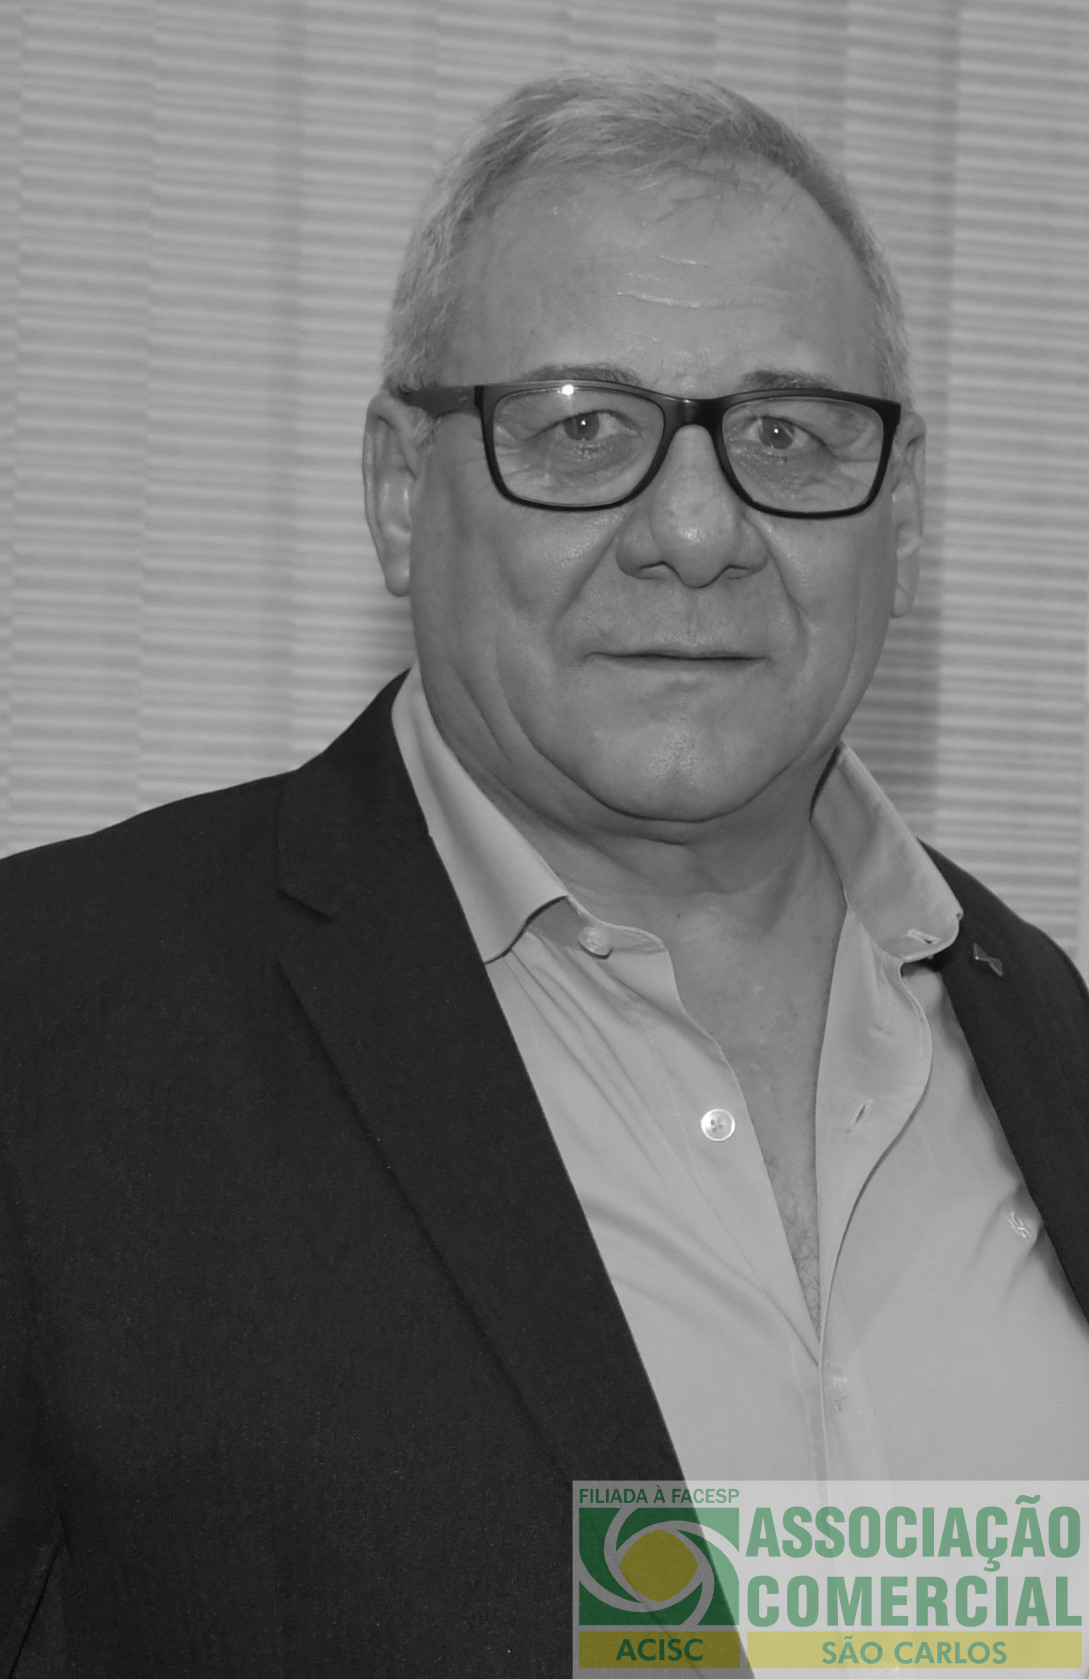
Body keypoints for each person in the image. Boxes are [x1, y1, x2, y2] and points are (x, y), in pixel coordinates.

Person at [2, 66, 1088, 1679]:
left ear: (904, 518)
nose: (697, 531)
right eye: (582, 429)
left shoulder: (1045, 1034)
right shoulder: (53, 1029)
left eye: (788, 435)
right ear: (399, 491)